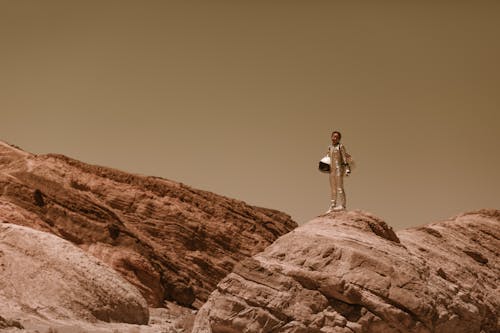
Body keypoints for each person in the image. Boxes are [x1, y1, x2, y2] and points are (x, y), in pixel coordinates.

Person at [326, 131, 351, 213]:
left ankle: (343, 205)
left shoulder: (340, 147)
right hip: (331, 170)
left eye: (336, 137)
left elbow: (344, 158)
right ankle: (333, 205)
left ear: (339, 139)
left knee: (340, 187)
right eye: (333, 136)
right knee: (333, 188)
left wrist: (347, 169)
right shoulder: (329, 147)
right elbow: (327, 158)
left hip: (338, 169)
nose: (334, 138)